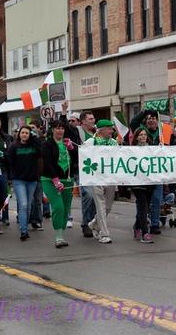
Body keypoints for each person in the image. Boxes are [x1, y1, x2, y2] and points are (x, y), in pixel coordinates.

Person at [60, 103, 97, 237]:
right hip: (80, 168)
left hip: (96, 169)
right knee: (87, 193)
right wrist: (64, 113)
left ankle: (94, 222)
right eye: (90, 119)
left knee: (96, 197)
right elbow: (65, 128)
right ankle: (86, 224)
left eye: (93, 118)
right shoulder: (77, 131)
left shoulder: (97, 133)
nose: (93, 121)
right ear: (82, 122)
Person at [40, 119, 74, 248]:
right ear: (52, 130)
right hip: (50, 180)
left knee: (66, 208)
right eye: (57, 128)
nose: (60, 130)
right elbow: (47, 163)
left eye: (62, 128)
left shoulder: (67, 143)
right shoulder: (47, 144)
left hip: (67, 179)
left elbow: (75, 160)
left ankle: (62, 234)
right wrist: (55, 179)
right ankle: (58, 237)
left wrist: (71, 148)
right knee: (58, 207)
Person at [85, 119, 119, 244]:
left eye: (111, 128)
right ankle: (104, 234)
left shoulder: (114, 143)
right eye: (109, 128)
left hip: (110, 177)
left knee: (108, 206)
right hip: (96, 177)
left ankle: (94, 223)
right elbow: (84, 157)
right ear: (101, 130)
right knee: (100, 206)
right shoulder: (90, 142)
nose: (111, 131)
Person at [5, 125, 41, 241]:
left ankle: (25, 225)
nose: (24, 134)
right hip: (18, 180)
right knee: (23, 204)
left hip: (32, 180)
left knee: (29, 205)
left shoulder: (34, 146)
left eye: (27, 133)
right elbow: (8, 161)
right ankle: (23, 231)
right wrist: (10, 178)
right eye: (23, 132)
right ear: (19, 134)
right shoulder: (14, 146)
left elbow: (42, 151)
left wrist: (35, 137)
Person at [130, 128, 154, 243]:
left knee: (144, 207)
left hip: (149, 182)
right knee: (143, 206)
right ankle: (145, 232)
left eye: (145, 134)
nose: (143, 137)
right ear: (136, 137)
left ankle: (137, 226)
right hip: (137, 182)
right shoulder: (132, 150)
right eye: (140, 135)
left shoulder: (153, 149)